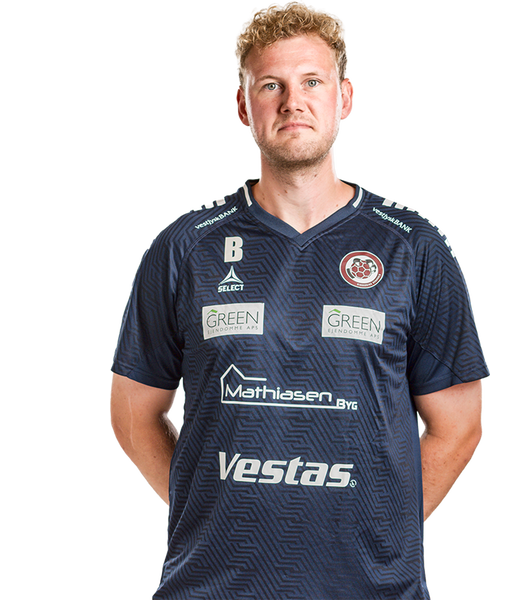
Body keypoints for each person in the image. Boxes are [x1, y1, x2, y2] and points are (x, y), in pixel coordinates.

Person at [110, 1, 490, 598]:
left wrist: (380, 529)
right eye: (271, 85)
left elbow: (461, 425)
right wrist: (210, 514)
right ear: (242, 105)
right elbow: (132, 414)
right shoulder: (185, 245)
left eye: (313, 81)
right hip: (211, 588)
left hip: (372, 590)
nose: (293, 102)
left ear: (346, 98)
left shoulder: (413, 245)